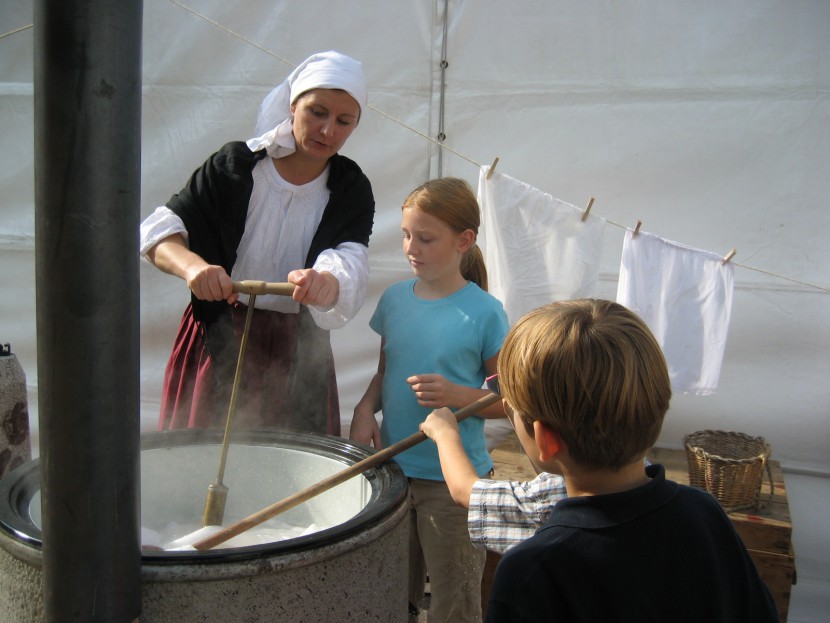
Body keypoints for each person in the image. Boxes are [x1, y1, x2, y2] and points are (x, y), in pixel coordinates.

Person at [423, 299, 779, 622]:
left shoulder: (533, 569)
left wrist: (444, 433)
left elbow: (466, 492)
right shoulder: (704, 514)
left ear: (546, 439)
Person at [139, 51, 374, 434]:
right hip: (218, 336)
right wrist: (193, 267)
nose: (328, 130)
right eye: (317, 112)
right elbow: (160, 232)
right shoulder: (234, 166)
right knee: (203, 460)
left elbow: (349, 257)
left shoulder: (350, 188)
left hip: (298, 350)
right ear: (293, 106)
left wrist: (326, 282)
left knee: (293, 469)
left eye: (344, 121)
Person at [349, 177, 509, 623]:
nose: (410, 248)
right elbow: (386, 371)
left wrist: (459, 396)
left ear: (464, 241)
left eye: (425, 238)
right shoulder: (395, 300)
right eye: (405, 235)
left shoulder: (485, 312)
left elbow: (511, 402)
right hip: (394, 474)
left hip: (452, 485)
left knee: (454, 603)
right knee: (390, 593)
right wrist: (365, 408)